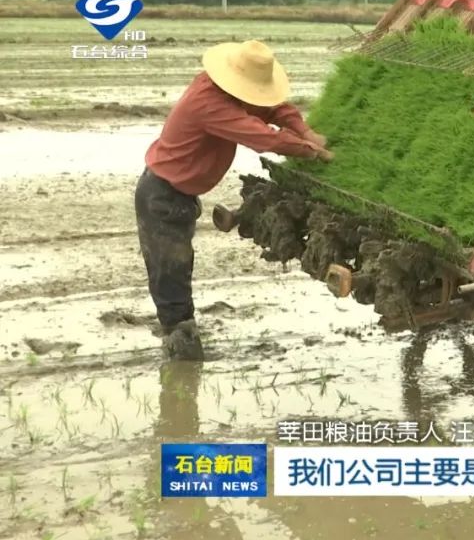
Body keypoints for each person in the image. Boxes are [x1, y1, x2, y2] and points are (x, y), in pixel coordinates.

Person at [135, 39, 334, 361]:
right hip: (162, 196)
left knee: (178, 268)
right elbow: (264, 137)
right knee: (171, 272)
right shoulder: (209, 103)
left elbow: (273, 108)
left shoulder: (229, 91)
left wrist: (305, 131)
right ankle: (182, 351)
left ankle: (181, 337)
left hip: (176, 193)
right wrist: (313, 151)